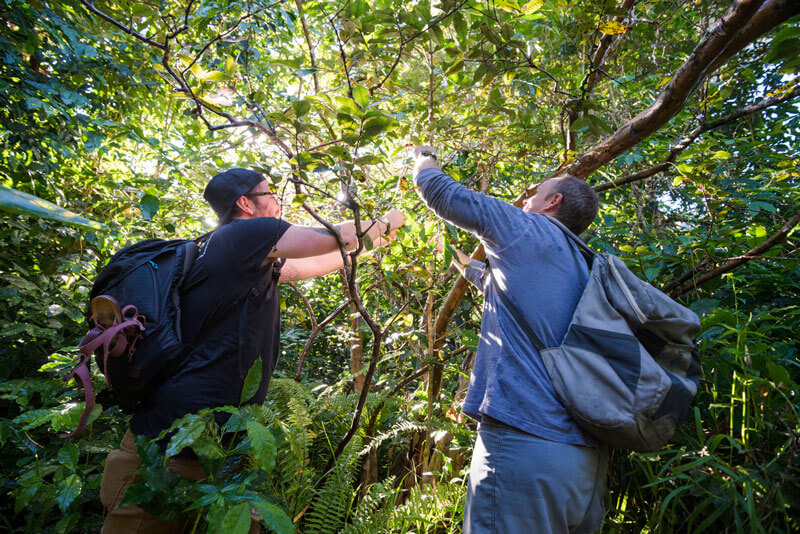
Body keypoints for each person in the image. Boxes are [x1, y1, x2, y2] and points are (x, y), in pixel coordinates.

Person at [99, 167, 405, 533]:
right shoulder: (246, 234)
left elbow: (322, 259)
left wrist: (373, 241)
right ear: (245, 203)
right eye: (271, 193)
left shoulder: (241, 255)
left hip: (213, 448)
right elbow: (335, 237)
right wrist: (390, 220)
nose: (278, 202)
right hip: (169, 450)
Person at [411, 146, 607, 533]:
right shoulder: (583, 263)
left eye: (535, 193)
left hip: (525, 449)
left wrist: (424, 157)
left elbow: (437, 190)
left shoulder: (527, 227)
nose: (526, 199)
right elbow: (506, 289)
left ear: (553, 202)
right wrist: (464, 263)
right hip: (585, 463)